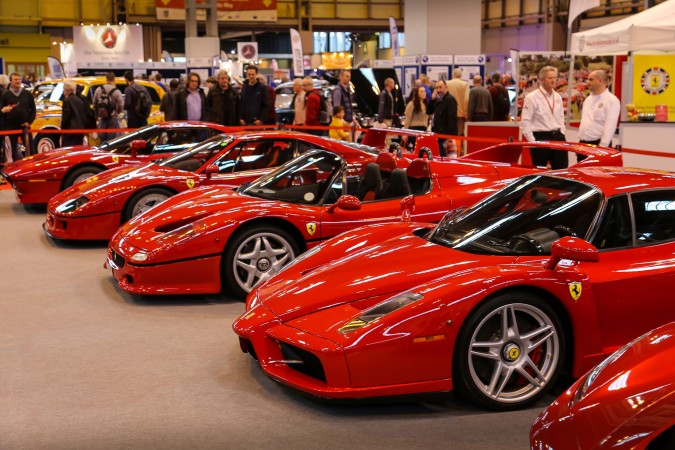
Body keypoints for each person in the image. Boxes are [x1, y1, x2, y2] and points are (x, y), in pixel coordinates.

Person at [520, 65, 567, 169]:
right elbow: (525, 122)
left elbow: (561, 117)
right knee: (539, 172)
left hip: (558, 137)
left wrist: (562, 132)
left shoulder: (558, 96)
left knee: (562, 171)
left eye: (555, 77)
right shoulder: (532, 97)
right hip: (540, 138)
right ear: (542, 80)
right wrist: (533, 142)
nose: (554, 80)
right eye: (550, 78)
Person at [577, 70, 621, 161]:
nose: (587, 82)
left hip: (598, 145)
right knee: (581, 174)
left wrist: (602, 148)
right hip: (583, 144)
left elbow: (610, 127)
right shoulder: (588, 99)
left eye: (591, 79)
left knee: (596, 174)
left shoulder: (611, 100)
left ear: (600, 81)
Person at [1, 72, 36, 161]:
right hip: (11, 128)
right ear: (11, 81)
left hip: (25, 126)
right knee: (12, 152)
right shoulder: (5, 95)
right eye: (15, 79)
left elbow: (33, 109)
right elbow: (2, 110)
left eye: (19, 79)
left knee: (30, 150)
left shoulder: (27, 94)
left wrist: (29, 122)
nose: (18, 81)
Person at [428, 79, 458, 157]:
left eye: (440, 87)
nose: (438, 90)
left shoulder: (450, 99)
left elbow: (452, 119)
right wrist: (432, 99)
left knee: (446, 159)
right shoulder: (438, 100)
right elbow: (428, 111)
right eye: (437, 88)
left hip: (445, 137)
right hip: (437, 135)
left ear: (446, 87)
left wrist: (451, 138)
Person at [93, 72, 124, 143]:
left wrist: (98, 114)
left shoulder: (98, 89)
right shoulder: (116, 91)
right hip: (113, 118)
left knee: (102, 138)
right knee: (112, 140)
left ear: (106, 79)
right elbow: (121, 105)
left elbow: (94, 103)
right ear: (114, 79)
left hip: (102, 117)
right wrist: (117, 113)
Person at [60, 81, 87, 147]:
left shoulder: (66, 101)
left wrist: (62, 129)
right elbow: (83, 117)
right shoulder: (80, 101)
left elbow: (66, 118)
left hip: (69, 133)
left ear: (67, 90)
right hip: (80, 132)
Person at [403, 85, 430, 150]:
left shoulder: (426, 104)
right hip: (414, 129)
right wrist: (405, 133)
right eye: (421, 91)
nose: (424, 93)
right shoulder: (412, 104)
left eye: (424, 91)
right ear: (417, 93)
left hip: (424, 129)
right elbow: (408, 119)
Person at [446, 68, 470, 135]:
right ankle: (458, 145)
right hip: (460, 113)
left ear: (452, 74)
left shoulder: (447, 83)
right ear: (461, 75)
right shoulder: (465, 84)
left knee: (449, 132)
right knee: (459, 133)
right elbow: (466, 99)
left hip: (448, 112)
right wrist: (465, 112)